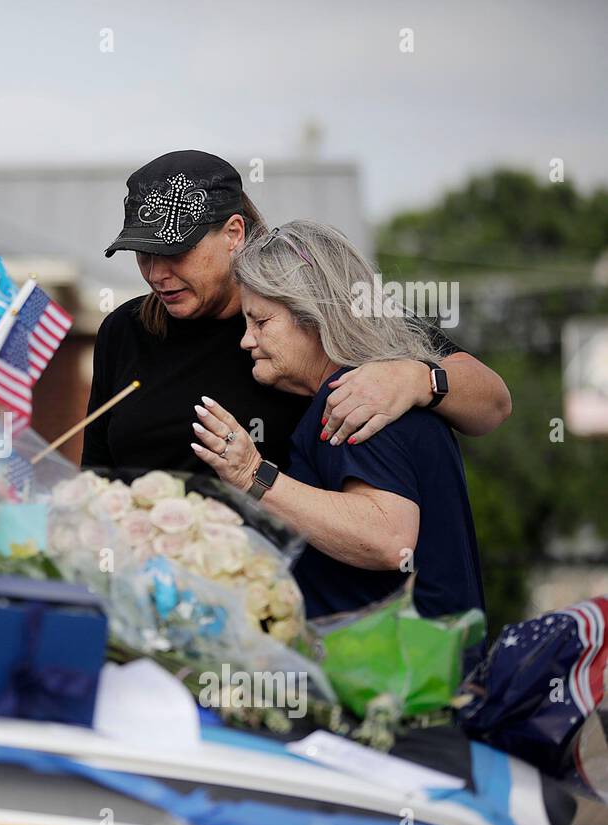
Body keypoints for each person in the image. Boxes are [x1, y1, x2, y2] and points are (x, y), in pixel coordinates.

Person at [82, 151, 512, 479]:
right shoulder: (123, 330)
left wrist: (417, 378)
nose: (156, 273)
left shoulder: (319, 303)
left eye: (174, 252)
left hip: (287, 586)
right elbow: (96, 476)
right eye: (143, 253)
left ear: (234, 233)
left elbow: (493, 403)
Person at [189, 220, 486, 620]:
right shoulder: (375, 387)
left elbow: (388, 539)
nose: (246, 340)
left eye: (261, 322)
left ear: (314, 317)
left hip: (399, 676)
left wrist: (253, 475)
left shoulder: (356, 396)